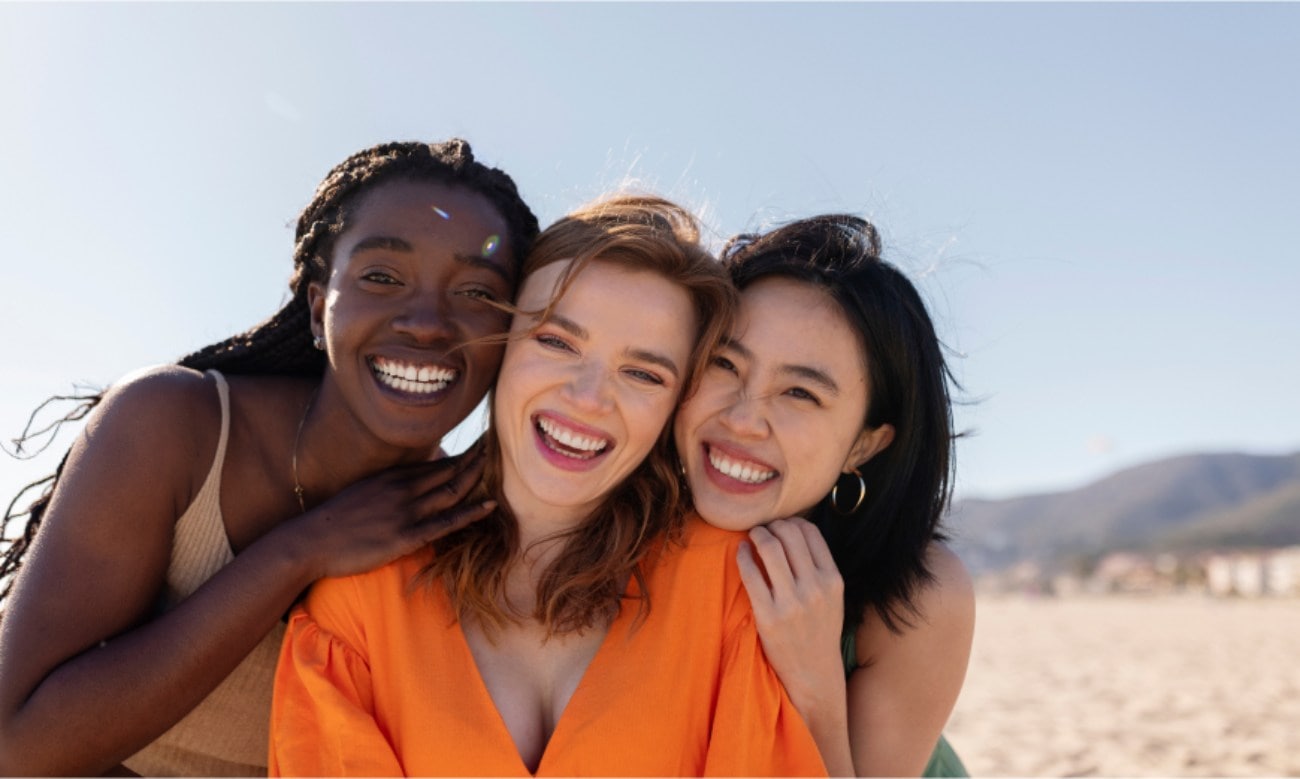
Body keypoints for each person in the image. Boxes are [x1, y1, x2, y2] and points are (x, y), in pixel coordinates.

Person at [0, 139, 539, 776]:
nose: (426, 323)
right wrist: (300, 551)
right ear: (318, 307)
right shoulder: (174, 426)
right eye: (382, 278)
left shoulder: (475, 535)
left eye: (477, 293)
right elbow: (18, 748)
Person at [269, 195, 826, 777]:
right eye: (556, 342)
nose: (587, 398)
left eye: (642, 373)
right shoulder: (361, 601)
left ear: (678, 403)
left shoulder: (731, 589)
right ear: (499, 344)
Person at [675, 214, 976, 777]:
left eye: (799, 393)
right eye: (724, 363)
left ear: (864, 443)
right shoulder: (630, 529)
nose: (743, 420)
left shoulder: (920, 596)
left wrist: (814, 686)